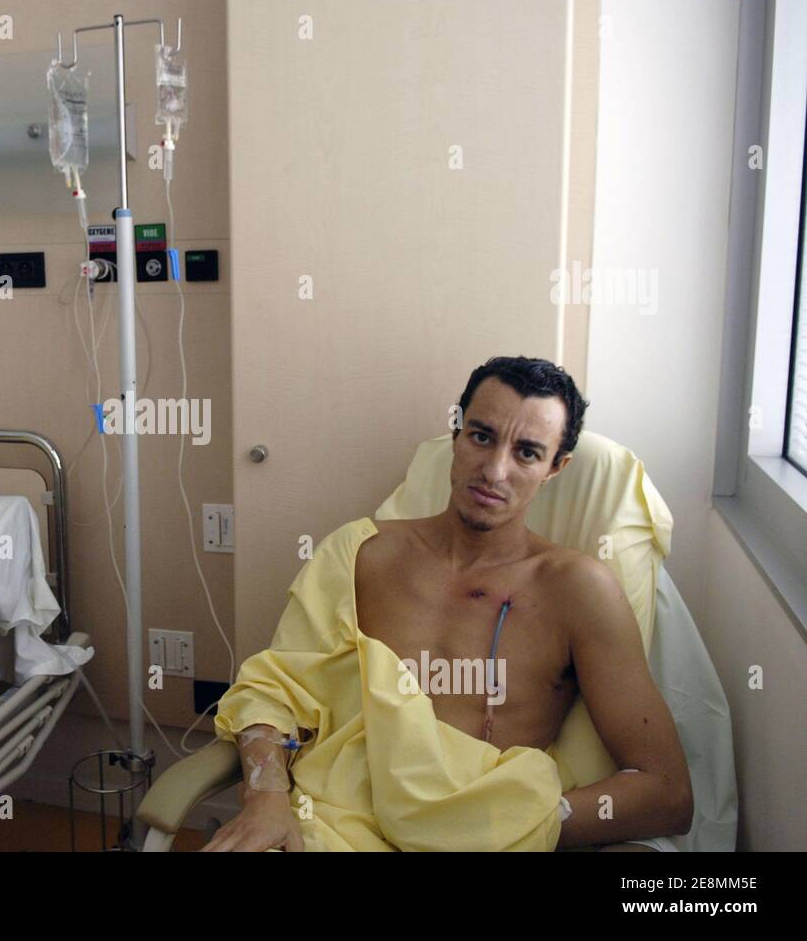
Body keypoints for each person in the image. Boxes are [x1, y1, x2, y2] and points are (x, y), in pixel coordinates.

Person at [203, 356, 692, 851]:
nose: (495, 471)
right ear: (456, 434)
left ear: (555, 468)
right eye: (481, 436)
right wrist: (266, 797)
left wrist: (517, 825)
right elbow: (275, 691)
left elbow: (667, 793)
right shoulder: (359, 554)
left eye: (526, 452)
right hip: (328, 826)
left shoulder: (578, 590)